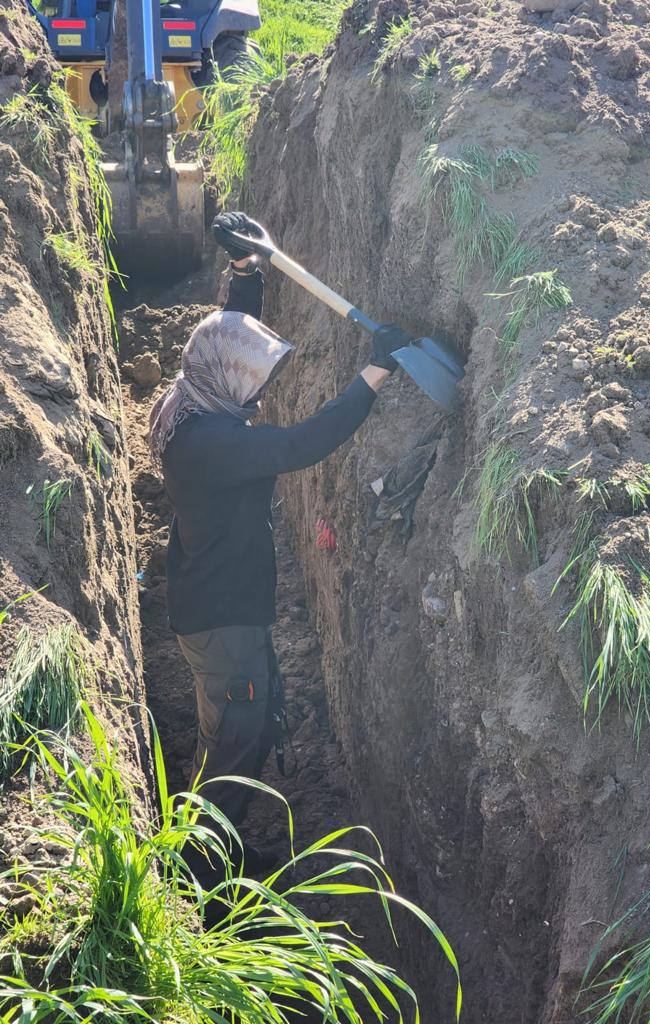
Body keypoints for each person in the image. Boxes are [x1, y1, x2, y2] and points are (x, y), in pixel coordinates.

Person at [148, 211, 409, 883]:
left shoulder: (190, 400)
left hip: (220, 598)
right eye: (252, 385)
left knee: (253, 724)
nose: (258, 393)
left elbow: (226, 340)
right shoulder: (212, 448)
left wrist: (245, 274)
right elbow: (298, 445)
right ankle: (199, 882)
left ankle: (220, 852)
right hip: (222, 615)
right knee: (234, 745)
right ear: (224, 383)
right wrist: (373, 374)